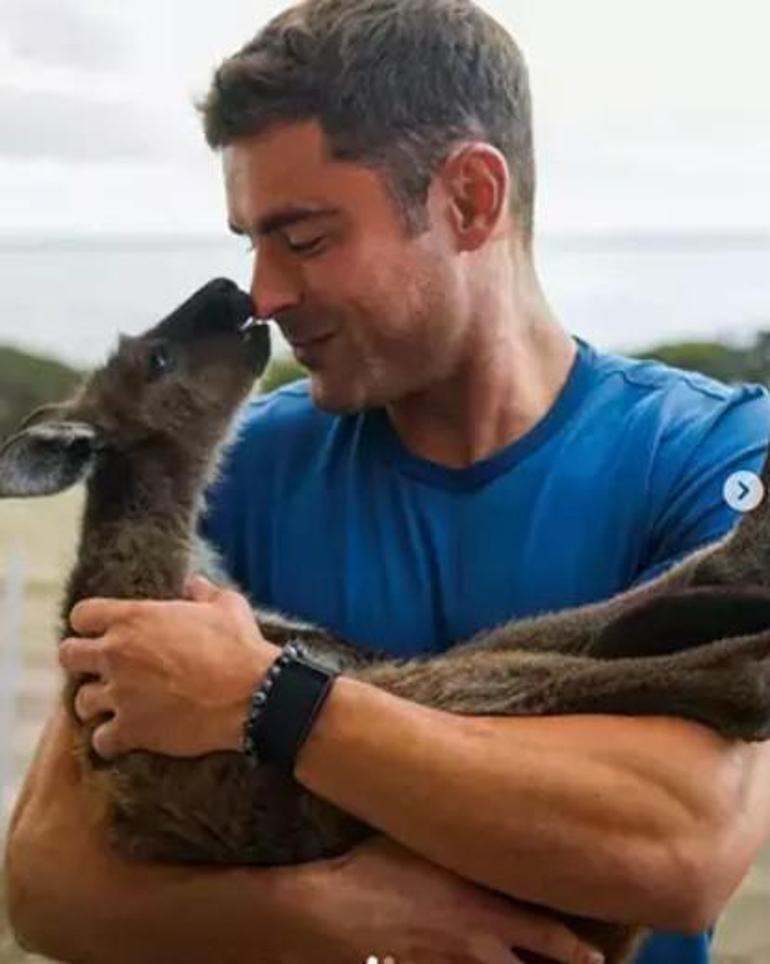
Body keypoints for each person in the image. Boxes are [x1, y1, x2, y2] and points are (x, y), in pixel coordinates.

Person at [6, 1, 770, 962]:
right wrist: (331, 914)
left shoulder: (709, 453)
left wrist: (269, 700)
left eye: (307, 239)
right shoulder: (238, 467)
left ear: (468, 201)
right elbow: (45, 880)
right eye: (251, 240)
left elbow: (679, 851)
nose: (264, 293)